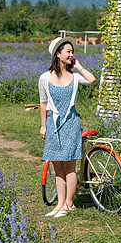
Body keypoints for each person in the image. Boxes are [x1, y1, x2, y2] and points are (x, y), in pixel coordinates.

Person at [38, 36, 96, 218]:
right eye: (68, 51)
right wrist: (43, 125)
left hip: (71, 125)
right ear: (58, 54)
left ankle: (69, 204)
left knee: (69, 166)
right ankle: (60, 204)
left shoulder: (75, 76)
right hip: (53, 125)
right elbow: (43, 103)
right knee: (57, 166)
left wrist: (78, 66)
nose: (71, 54)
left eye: (72, 52)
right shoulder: (45, 78)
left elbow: (92, 79)